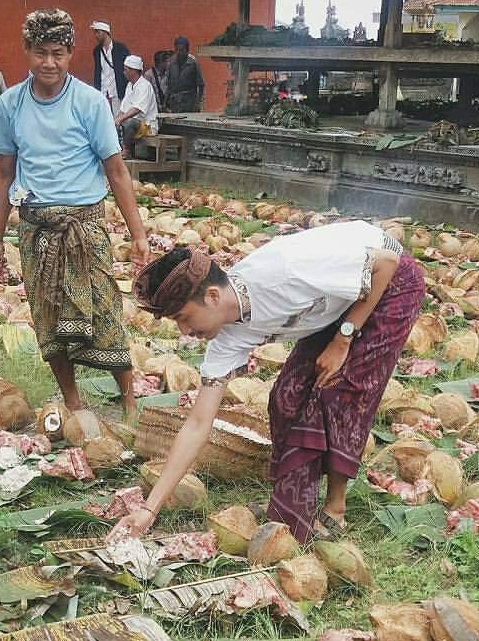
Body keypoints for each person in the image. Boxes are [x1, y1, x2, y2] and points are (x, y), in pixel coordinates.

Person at [114, 221, 424, 544]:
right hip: (337, 299)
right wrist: (149, 510)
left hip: (391, 283)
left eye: (184, 318)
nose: (183, 331)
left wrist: (344, 338)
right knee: (285, 398)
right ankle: (290, 504)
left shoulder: (285, 273)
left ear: (212, 295)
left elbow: (385, 263)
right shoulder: (227, 335)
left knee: (338, 390)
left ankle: (335, 510)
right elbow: (198, 423)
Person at [0, 9, 150, 418]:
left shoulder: (90, 102)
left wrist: (139, 234)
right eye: (40, 53)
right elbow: (4, 174)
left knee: (105, 313)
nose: (49, 63)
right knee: (48, 318)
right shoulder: (10, 105)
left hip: (85, 227)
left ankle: (128, 399)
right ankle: (74, 401)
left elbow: (116, 170)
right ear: (26, 51)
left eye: (57, 53)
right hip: (37, 230)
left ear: (71, 53)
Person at [115, 55, 159, 157]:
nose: (124, 72)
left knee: (131, 122)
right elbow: (123, 109)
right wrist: (116, 119)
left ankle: (126, 151)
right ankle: (117, 150)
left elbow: (137, 109)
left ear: (133, 71)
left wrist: (121, 118)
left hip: (147, 125)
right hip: (133, 124)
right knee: (115, 123)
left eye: (126, 70)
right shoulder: (129, 85)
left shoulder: (145, 86)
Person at [91, 21, 129, 114]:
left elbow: (127, 68)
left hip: (118, 88)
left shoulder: (121, 48)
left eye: (98, 32)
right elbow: (98, 71)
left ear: (105, 32)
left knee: (119, 116)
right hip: (103, 88)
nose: (96, 35)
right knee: (103, 115)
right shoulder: (96, 51)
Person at [166, 36, 205, 112]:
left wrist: (198, 103)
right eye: (177, 50)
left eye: (181, 50)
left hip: (189, 102)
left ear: (187, 50)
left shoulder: (193, 63)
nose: (179, 52)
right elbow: (169, 86)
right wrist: (165, 102)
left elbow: (201, 85)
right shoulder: (172, 64)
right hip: (175, 103)